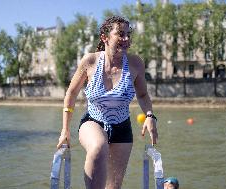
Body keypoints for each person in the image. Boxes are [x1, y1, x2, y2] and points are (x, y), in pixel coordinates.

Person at [57, 15, 158, 189]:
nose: (126, 39)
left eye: (128, 34)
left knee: (114, 186)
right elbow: (71, 94)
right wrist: (65, 129)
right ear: (105, 37)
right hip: (93, 121)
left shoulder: (135, 63)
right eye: (120, 34)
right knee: (98, 146)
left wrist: (150, 115)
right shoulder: (90, 61)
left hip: (122, 128)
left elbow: (142, 95)